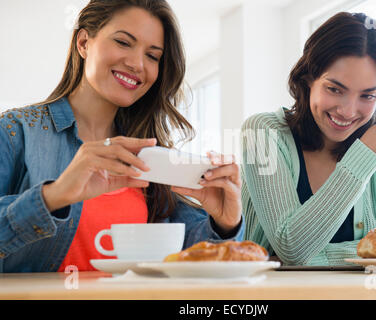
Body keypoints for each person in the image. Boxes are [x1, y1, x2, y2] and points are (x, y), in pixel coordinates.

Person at [0, 0, 243, 273]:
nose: (137, 64)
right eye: (123, 42)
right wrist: (54, 196)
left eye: (152, 56)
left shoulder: (151, 154)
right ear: (83, 43)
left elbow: (184, 258)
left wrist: (225, 224)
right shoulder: (15, 131)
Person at [241, 12, 376, 266]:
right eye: (334, 89)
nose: (348, 111)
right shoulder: (261, 133)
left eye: (367, 96)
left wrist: (318, 259)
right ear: (308, 79)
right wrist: (368, 152)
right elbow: (292, 248)